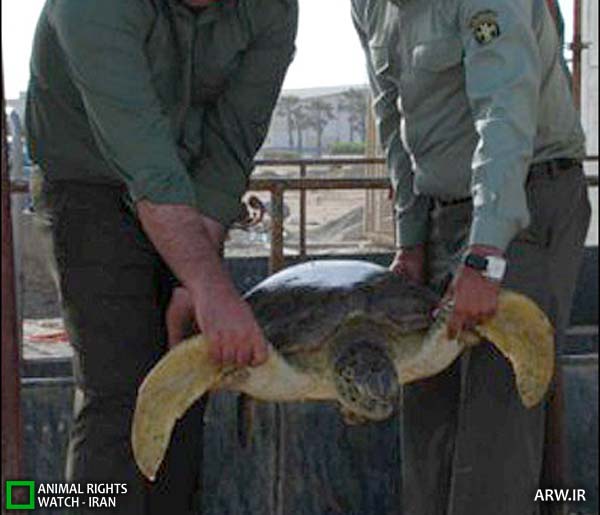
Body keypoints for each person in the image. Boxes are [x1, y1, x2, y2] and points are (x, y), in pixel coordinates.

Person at [26, 0, 298, 513]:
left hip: (191, 191)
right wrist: (210, 287)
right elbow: (145, 164)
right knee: (120, 390)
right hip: (88, 184)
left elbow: (230, 148)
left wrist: (193, 284)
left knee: (187, 380)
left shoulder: (273, 8)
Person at [352, 0, 591, 514]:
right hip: (443, 211)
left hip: (525, 201)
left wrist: (485, 255)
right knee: (428, 425)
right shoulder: (367, 5)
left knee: (496, 431)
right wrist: (411, 241)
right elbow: (391, 116)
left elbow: (505, 108)